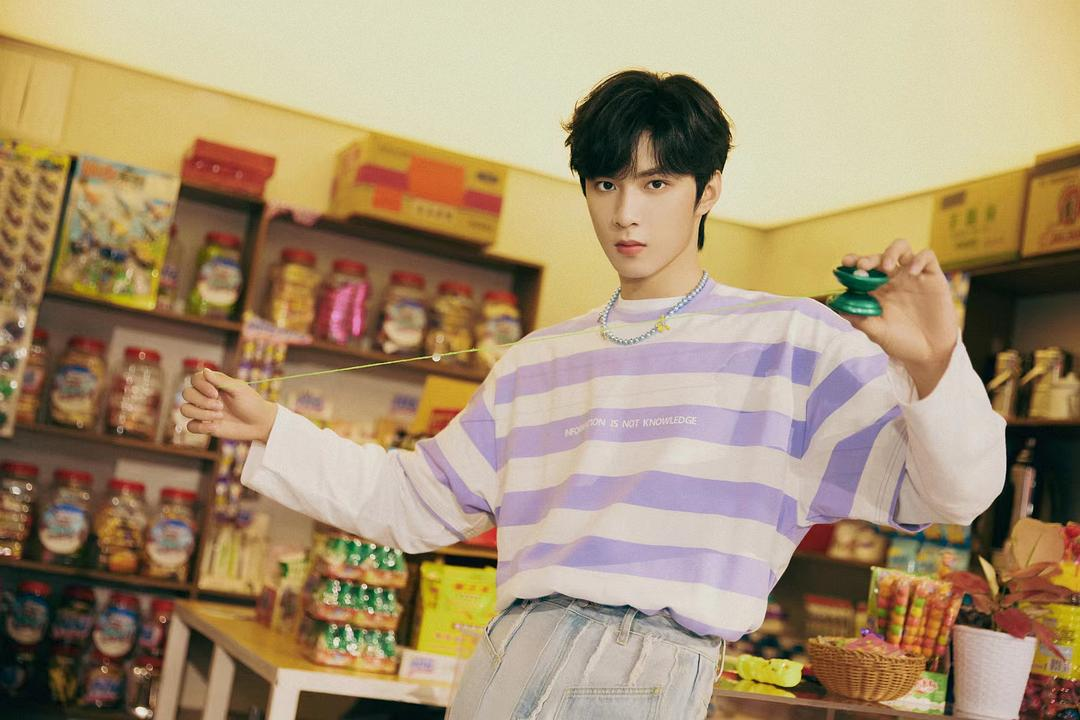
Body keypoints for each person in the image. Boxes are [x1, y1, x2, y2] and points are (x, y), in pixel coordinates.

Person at [181, 70, 1005, 719]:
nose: (625, 214)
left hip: (649, 670)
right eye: (605, 184)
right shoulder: (539, 359)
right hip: (507, 659)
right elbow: (412, 504)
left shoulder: (789, 341)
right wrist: (272, 430)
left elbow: (953, 495)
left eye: (657, 184)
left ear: (709, 189)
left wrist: (936, 365)